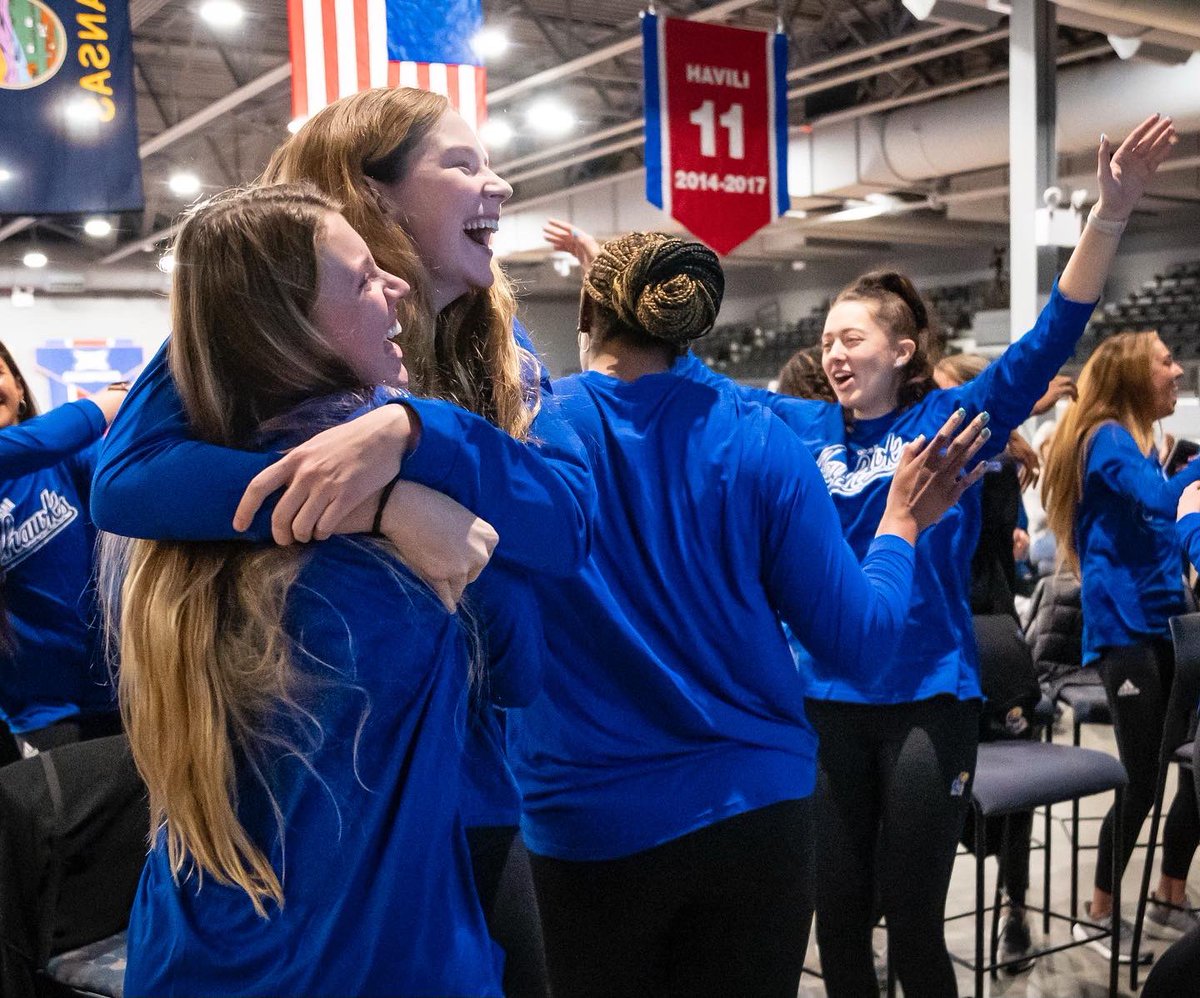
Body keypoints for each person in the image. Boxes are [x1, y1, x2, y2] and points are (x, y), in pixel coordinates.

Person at [543, 114, 1175, 996]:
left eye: (853, 338)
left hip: (927, 698)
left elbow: (1049, 340)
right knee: (834, 918)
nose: (833, 352)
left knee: (914, 920)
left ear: (904, 350)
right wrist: (609, 277)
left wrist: (1107, 218)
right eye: (828, 339)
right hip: (822, 699)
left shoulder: (950, 423)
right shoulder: (797, 426)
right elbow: (673, 370)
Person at [91, 88, 590, 996]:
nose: (500, 184)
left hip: (453, 787)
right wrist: (388, 505)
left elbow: (564, 528)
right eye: (463, 163)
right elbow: (125, 482)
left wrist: (413, 433)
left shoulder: (499, 349)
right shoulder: (261, 319)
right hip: (335, 798)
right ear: (371, 195)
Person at [508, 232, 989, 998]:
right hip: (755, 818)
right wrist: (900, 524)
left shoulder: (526, 433)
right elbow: (860, 644)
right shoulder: (759, 438)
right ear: (689, 323)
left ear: (589, 310)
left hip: (589, 821)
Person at [1043, 329, 1200, 962]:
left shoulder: (1137, 443)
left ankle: (1167, 892)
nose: (1179, 370)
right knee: (1141, 778)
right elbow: (1164, 503)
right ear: (1137, 374)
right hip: (1126, 635)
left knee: (1179, 773)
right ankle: (1099, 911)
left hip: (1167, 624)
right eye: (1167, 361)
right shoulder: (1106, 436)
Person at [0, 344, 128, 759]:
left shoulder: (65, 455)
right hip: (41, 707)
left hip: (119, 682)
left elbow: (123, 496)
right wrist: (113, 398)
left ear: (19, 386)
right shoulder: (48, 441)